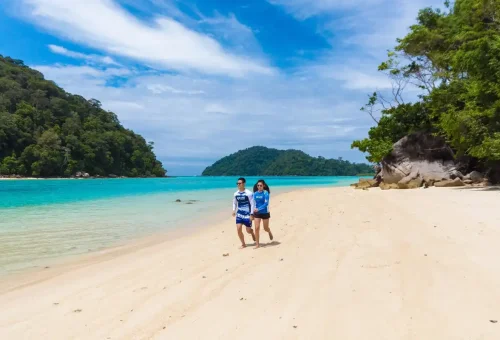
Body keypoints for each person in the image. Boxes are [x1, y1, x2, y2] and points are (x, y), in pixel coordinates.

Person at [232, 177, 256, 249]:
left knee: (248, 230)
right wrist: (234, 210)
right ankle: (243, 244)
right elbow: (234, 203)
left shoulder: (248, 193)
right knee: (238, 229)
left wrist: (251, 214)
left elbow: (252, 204)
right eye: (237, 183)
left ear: (244, 184)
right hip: (239, 214)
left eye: (239, 183)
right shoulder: (236, 194)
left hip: (247, 214)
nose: (238, 185)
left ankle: (252, 233)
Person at [252, 179, 273, 249]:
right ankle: (257, 244)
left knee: (265, 228)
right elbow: (253, 204)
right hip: (257, 213)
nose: (259, 186)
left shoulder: (266, 193)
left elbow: (266, 204)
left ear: (263, 185)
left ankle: (269, 231)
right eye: (258, 185)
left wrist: (259, 208)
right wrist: (251, 213)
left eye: (261, 185)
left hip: (265, 212)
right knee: (257, 228)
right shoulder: (255, 194)